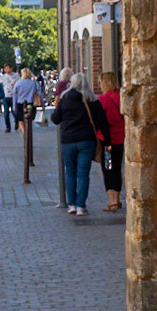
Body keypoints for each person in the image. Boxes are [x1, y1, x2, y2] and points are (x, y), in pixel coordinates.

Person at [49, 72, 110, 216]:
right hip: (86, 140)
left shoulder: (64, 99)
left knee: (70, 172)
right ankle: (81, 206)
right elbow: (102, 122)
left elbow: (55, 119)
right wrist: (107, 141)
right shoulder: (92, 100)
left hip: (68, 140)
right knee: (83, 174)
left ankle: (71, 205)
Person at [98, 71, 125, 211]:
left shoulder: (102, 99)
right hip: (120, 137)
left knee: (108, 169)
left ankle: (112, 201)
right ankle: (118, 198)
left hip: (106, 140)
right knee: (117, 168)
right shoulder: (121, 97)